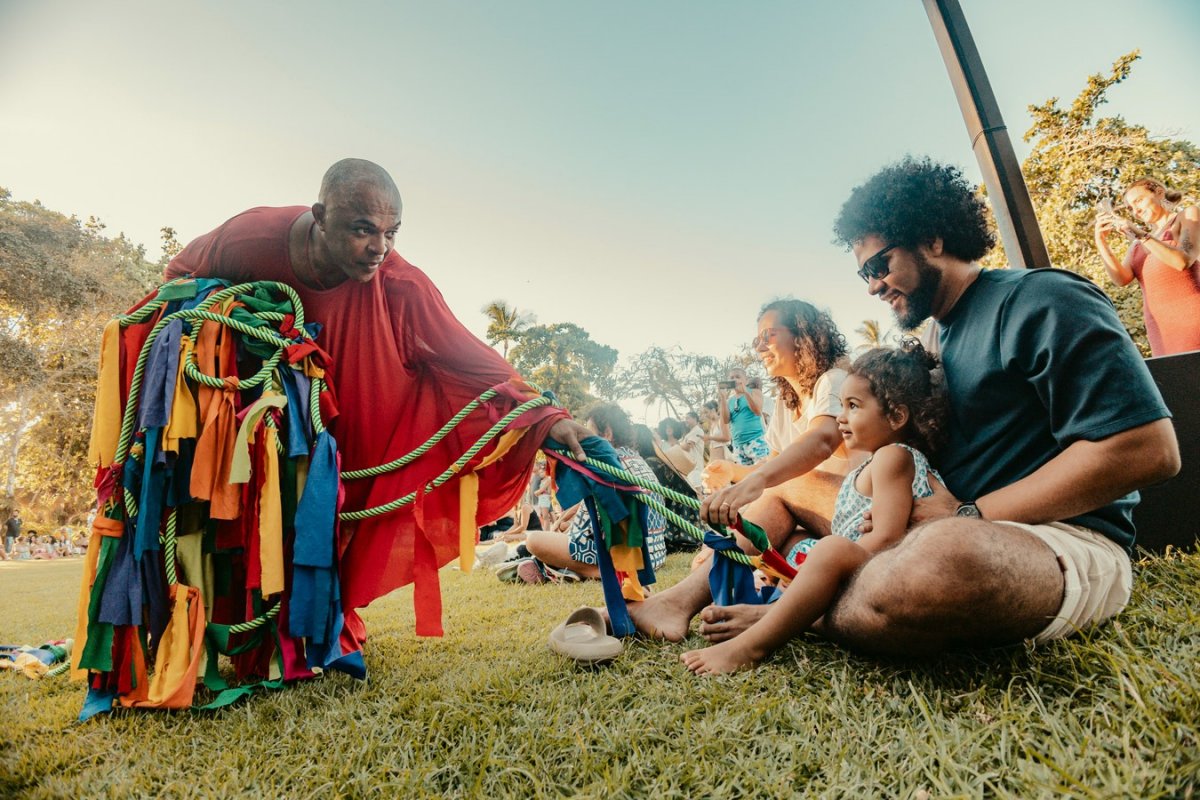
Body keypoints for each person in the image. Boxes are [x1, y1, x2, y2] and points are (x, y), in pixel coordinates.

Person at [165, 158, 591, 653]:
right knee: (241, 522)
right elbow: (176, 281)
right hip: (255, 415)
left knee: (329, 522)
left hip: (352, 423)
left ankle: (309, 631)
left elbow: (471, 358)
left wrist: (547, 417)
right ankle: (231, 634)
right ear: (320, 216)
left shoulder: (400, 282)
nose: (379, 248)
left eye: (392, 233)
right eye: (363, 230)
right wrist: (239, 329)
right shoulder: (250, 238)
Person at [683, 339, 948, 674]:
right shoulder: (877, 461)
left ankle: (753, 644)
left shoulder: (894, 457)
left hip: (884, 568)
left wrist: (822, 564)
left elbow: (885, 538)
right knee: (803, 546)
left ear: (896, 415)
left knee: (829, 549)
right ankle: (781, 605)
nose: (841, 417)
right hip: (859, 563)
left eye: (853, 406)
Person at [614, 301, 854, 640]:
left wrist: (754, 484)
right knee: (775, 545)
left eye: (768, 335)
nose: (758, 347)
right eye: (756, 339)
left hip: (857, 508)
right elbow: (771, 462)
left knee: (773, 497)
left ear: (804, 336)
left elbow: (823, 440)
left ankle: (675, 604)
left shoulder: (833, 380)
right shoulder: (788, 402)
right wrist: (733, 471)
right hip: (819, 521)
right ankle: (755, 606)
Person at [521, 405, 667, 584]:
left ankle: (594, 572)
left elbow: (584, 532)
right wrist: (564, 521)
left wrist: (562, 525)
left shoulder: (607, 463)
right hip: (654, 556)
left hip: (629, 559)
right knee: (562, 528)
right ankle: (557, 568)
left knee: (534, 540)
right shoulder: (637, 461)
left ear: (607, 433)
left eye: (585, 433)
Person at [1094, 177, 1200, 356]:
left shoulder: (1187, 215)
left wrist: (1140, 234)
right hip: (1160, 330)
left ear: (1159, 192)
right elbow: (1121, 279)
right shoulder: (1137, 244)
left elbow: (1183, 260)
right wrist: (1101, 242)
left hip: (1192, 321)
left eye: (1139, 201)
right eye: (1130, 208)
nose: (1136, 211)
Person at [719, 368, 769, 466]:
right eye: (732, 378)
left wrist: (745, 391)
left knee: (764, 471)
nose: (735, 379)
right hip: (738, 446)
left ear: (745, 380)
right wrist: (723, 398)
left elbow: (758, 411)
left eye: (738, 377)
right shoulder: (730, 401)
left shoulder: (754, 392)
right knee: (747, 476)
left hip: (756, 441)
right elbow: (726, 420)